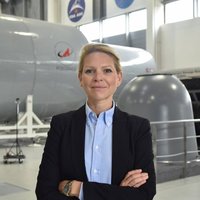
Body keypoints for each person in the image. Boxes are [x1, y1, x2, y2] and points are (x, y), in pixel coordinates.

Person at [35, 43, 156, 200]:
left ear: (118, 77)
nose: (98, 77)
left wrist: (78, 188)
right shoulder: (61, 125)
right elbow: (44, 192)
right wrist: (118, 193)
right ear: (80, 78)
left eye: (107, 70)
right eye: (89, 71)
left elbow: (145, 193)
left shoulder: (137, 128)